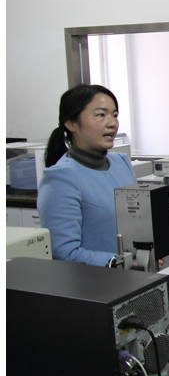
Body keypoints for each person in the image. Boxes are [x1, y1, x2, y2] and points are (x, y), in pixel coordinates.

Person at [38, 84, 137, 267]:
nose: (112, 123)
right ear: (71, 124)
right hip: (96, 281)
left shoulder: (121, 162)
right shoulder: (61, 177)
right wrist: (121, 263)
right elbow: (64, 252)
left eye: (114, 115)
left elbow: (138, 219)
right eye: (101, 115)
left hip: (137, 275)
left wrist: (149, 254)